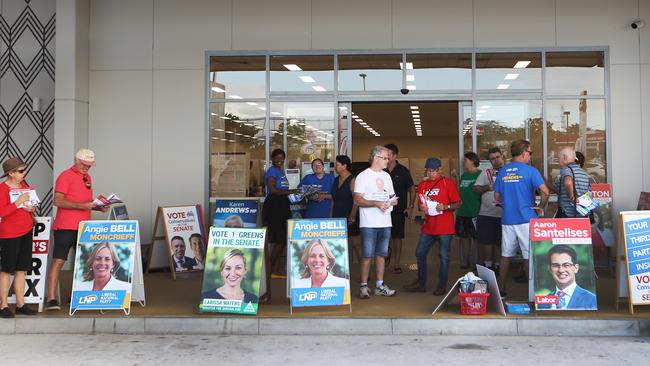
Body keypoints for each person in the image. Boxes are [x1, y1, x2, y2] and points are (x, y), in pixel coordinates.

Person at [45, 149, 109, 311]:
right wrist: (83, 206)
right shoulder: (65, 176)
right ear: (76, 160)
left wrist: (98, 208)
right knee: (58, 260)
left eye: (89, 165)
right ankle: (51, 298)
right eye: (84, 164)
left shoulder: (87, 177)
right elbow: (58, 200)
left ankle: (78, 294)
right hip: (66, 226)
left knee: (84, 263)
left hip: (84, 227)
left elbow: (85, 203)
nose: (87, 167)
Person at [494, 140, 549, 299]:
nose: (530, 156)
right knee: (528, 255)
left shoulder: (502, 171)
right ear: (524, 153)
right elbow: (545, 192)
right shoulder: (530, 171)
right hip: (527, 219)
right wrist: (540, 207)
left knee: (505, 255)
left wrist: (510, 199)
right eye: (530, 153)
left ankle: (501, 291)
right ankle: (533, 294)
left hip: (508, 219)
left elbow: (496, 196)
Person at [403, 158, 461, 295]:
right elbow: (421, 203)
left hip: (445, 227)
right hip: (429, 226)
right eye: (429, 170)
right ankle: (421, 282)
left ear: (440, 170)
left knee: (444, 256)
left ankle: (442, 285)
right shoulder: (423, 185)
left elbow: (458, 203)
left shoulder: (448, 184)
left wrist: (445, 206)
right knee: (420, 252)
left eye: (434, 170)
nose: (431, 173)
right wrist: (421, 207)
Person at [353, 145, 398, 299]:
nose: (388, 160)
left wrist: (392, 202)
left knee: (381, 254)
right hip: (369, 223)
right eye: (385, 157)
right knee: (367, 255)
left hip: (385, 221)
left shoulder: (387, 176)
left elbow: (392, 196)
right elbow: (357, 199)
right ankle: (363, 286)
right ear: (376, 158)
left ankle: (380, 285)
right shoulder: (363, 176)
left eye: (388, 157)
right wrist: (375, 203)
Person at [0, 158, 37, 317]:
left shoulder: (24, 187)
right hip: (9, 233)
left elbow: (31, 206)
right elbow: (1, 212)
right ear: (10, 173)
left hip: (26, 230)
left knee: (22, 268)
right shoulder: (2, 189)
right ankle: (4, 305)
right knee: (7, 269)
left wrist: (31, 208)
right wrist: (18, 202)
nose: (24, 173)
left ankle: (21, 304)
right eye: (21, 171)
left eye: (24, 170)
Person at [262, 148, 298, 277]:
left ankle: (276, 270)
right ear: (272, 159)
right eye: (277, 158)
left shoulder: (280, 171)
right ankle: (269, 268)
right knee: (280, 239)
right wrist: (292, 191)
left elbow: (282, 190)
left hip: (282, 205)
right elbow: (273, 190)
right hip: (274, 206)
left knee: (282, 239)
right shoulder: (272, 171)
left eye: (281, 158)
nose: (279, 160)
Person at [384, 144, 416, 274]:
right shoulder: (380, 170)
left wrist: (410, 207)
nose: (386, 157)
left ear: (395, 156)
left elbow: (412, 189)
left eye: (389, 155)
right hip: (382, 210)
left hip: (398, 210)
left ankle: (396, 264)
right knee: (384, 236)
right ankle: (385, 256)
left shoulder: (403, 171)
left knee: (397, 237)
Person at [473, 147, 505, 272]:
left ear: (502, 156)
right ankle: (487, 265)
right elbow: (475, 189)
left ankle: (497, 266)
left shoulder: (510, 172)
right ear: (489, 161)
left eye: (497, 157)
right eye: (492, 159)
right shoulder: (486, 172)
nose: (496, 160)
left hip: (504, 214)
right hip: (486, 213)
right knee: (486, 241)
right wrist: (488, 187)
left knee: (499, 242)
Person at [537, 245, 597, 310]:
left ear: (576, 268)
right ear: (549, 269)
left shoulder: (592, 300)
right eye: (556, 265)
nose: (561, 270)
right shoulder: (543, 303)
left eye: (566, 265)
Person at [330, 155, 360, 263]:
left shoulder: (353, 180)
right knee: (337, 244)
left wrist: (352, 215)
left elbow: (356, 200)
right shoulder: (336, 180)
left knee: (356, 245)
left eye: (337, 165)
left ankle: (364, 270)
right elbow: (334, 197)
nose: (335, 167)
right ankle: (339, 269)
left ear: (344, 166)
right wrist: (331, 217)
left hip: (350, 216)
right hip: (337, 215)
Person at [456, 152, 482, 269]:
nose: (464, 163)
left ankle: (475, 263)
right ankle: (465, 261)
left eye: (465, 160)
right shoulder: (464, 176)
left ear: (472, 161)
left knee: (476, 239)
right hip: (462, 212)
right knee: (464, 238)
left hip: (475, 212)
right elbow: (460, 191)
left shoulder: (481, 175)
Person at [555, 146, 591, 218]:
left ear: (564, 157)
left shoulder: (566, 169)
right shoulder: (583, 173)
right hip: (582, 214)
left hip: (567, 214)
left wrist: (572, 197)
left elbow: (568, 182)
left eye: (558, 158)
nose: (558, 161)